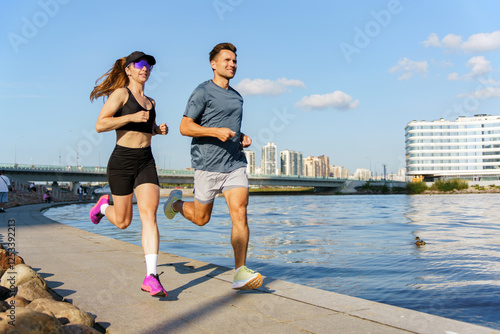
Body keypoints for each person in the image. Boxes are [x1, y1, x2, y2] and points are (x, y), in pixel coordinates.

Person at [163, 43, 262, 290]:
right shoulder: (202, 92)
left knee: (240, 212)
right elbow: (185, 127)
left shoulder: (237, 97)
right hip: (207, 165)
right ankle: (174, 203)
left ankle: (239, 272)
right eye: (227, 60)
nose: (232, 65)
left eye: (235, 61)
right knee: (201, 219)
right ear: (213, 64)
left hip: (234, 163)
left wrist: (243, 137)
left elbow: (231, 128)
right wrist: (213, 132)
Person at [89, 51, 169, 297]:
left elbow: (143, 129)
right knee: (123, 222)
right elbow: (101, 124)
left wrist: (156, 129)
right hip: (122, 161)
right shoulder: (121, 94)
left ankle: (151, 276)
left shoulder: (151, 102)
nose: (145, 69)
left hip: (146, 161)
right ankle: (103, 207)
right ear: (128, 69)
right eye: (140, 64)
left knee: (150, 215)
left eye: (148, 66)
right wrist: (131, 116)